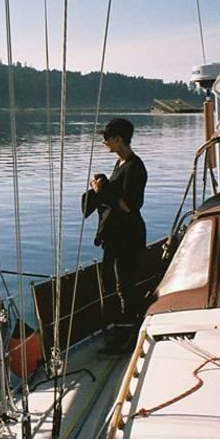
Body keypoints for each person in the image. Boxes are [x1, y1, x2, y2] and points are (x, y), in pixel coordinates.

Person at [83, 118, 148, 350]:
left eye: (107, 139)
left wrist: (104, 190)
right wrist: (100, 187)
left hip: (127, 236)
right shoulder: (120, 164)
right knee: (112, 281)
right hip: (114, 235)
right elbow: (114, 194)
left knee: (125, 284)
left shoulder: (135, 167)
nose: (104, 143)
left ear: (118, 139)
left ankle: (130, 330)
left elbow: (129, 206)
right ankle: (121, 325)